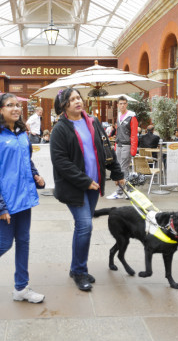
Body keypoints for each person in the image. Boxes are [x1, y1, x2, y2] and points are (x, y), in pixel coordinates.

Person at [0, 93, 46, 303]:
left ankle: (21, 288)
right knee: (5, 243)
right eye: (10, 105)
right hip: (5, 201)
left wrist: (35, 175)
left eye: (17, 105)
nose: (16, 108)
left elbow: (26, 161)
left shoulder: (22, 133)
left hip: (24, 198)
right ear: (0, 110)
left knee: (23, 241)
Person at [50, 88, 125, 291]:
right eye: (72, 99)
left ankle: (76, 268)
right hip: (74, 187)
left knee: (82, 227)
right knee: (85, 226)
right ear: (64, 105)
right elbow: (60, 162)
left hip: (94, 184)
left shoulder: (93, 121)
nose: (77, 102)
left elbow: (106, 148)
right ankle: (80, 271)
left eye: (78, 98)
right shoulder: (60, 129)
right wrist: (84, 181)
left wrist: (117, 173)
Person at [107, 96, 137, 199]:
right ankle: (129, 191)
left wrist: (133, 148)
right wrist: (115, 145)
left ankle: (120, 192)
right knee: (122, 169)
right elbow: (118, 132)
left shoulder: (131, 116)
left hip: (126, 145)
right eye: (121, 103)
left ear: (127, 104)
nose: (122, 105)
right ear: (118, 105)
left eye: (124, 103)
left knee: (122, 169)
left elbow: (134, 133)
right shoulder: (119, 115)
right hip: (119, 145)